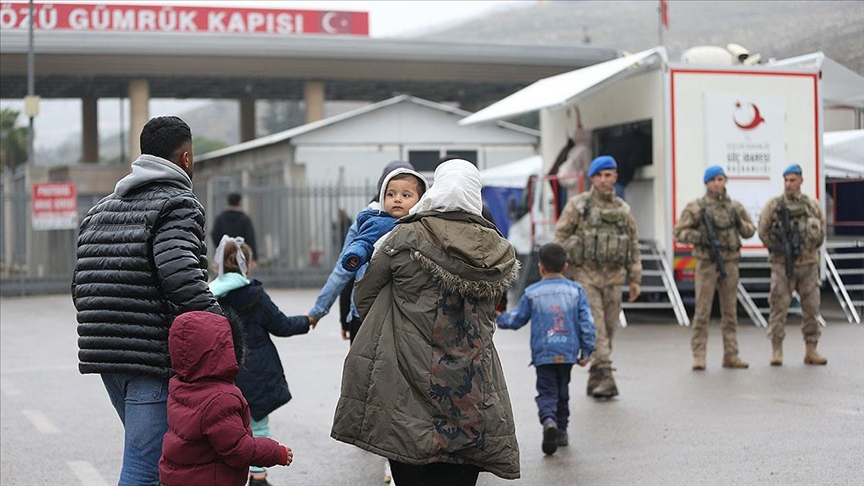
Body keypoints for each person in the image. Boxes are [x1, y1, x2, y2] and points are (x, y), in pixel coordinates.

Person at [331, 159, 521, 485]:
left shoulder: (403, 237)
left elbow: (364, 296)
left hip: (404, 370)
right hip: (469, 381)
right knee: (461, 463)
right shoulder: (499, 250)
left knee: (408, 455)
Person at [72, 115, 221, 486]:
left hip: (105, 351)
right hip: (150, 356)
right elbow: (181, 275)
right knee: (145, 467)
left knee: (152, 459)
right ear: (186, 158)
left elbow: (80, 285)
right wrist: (222, 325)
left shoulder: (100, 209)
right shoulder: (178, 203)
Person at [209, 235, 312, 486]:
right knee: (258, 424)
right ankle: (258, 475)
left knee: (223, 426)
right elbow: (282, 325)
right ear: (249, 263)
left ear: (218, 264)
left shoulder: (208, 297)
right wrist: (307, 321)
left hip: (222, 371)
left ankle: (225, 475)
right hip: (256, 369)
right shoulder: (255, 295)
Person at [159, 311, 293, 486]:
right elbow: (238, 449)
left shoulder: (180, 386)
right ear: (222, 351)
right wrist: (276, 452)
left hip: (177, 477)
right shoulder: (220, 399)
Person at [554, 155, 642, 399]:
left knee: (610, 328)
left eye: (609, 175)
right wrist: (557, 271)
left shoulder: (623, 210)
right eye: (600, 175)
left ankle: (596, 377)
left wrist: (635, 278)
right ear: (592, 178)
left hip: (614, 277)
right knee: (597, 327)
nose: (604, 180)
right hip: (586, 276)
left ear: (615, 177)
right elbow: (560, 237)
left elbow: (633, 245)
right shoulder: (578, 206)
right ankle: (606, 376)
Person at [496, 242, 595, 456]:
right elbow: (587, 322)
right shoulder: (576, 291)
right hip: (567, 352)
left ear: (540, 267)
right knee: (563, 390)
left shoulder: (533, 292)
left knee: (547, 391)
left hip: (544, 353)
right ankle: (561, 431)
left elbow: (517, 319)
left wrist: (499, 319)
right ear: (566, 266)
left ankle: (548, 420)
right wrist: (587, 351)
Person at [307, 160, 418, 342]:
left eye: (406, 194)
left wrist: (321, 312)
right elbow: (347, 265)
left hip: (364, 312)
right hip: (403, 313)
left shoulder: (417, 221)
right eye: (393, 192)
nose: (398, 198)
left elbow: (343, 273)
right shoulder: (371, 222)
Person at [674, 165, 756, 370]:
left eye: (720, 179)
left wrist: (740, 223)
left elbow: (749, 231)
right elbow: (679, 231)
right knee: (702, 312)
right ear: (707, 183)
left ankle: (731, 354)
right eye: (713, 180)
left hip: (729, 263)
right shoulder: (697, 208)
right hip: (706, 263)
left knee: (730, 312)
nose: (717, 184)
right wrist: (699, 237)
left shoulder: (735, 208)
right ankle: (699, 355)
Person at [758, 163, 827, 366]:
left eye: (792, 180)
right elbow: (762, 231)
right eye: (786, 180)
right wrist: (777, 247)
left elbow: (821, 232)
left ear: (801, 181)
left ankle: (811, 349)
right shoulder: (774, 206)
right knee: (778, 306)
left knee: (812, 308)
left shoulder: (811, 205)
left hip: (807, 265)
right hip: (782, 266)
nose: (788, 184)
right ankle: (777, 350)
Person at [340, 168, 428, 271]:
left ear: (420, 200)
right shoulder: (379, 223)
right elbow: (364, 242)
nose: (397, 199)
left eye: (406, 195)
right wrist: (356, 254)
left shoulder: (425, 223)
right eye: (391, 194)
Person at [212, 192, 258, 260]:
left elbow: (214, 234)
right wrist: (254, 257)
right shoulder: (245, 219)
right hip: (242, 255)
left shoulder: (220, 218)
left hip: (225, 254)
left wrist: (221, 247)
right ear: (239, 202)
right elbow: (250, 238)